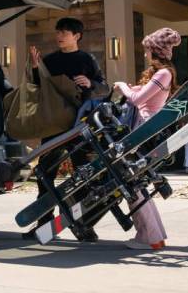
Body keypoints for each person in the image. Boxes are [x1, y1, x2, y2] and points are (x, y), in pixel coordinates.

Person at [26, 17, 109, 242]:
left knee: (82, 174)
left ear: (77, 36)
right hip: (54, 124)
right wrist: (35, 67)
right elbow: (35, 87)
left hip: (80, 124)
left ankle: (83, 224)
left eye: (65, 32)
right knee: (45, 174)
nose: (60, 36)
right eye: (58, 32)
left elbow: (104, 87)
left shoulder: (87, 59)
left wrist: (90, 84)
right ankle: (42, 224)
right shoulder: (50, 60)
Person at [112, 27, 182, 250]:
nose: (145, 54)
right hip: (142, 132)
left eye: (147, 50)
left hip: (143, 133)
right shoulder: (160, 74)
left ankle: (149, 237)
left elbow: (137, 98)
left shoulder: (164, 74)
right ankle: (154, 236)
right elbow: (143, 94)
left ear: (155, 51)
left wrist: (122, 86)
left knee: (132, 184)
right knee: (135, 183)